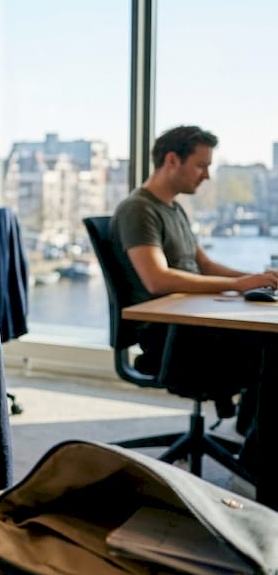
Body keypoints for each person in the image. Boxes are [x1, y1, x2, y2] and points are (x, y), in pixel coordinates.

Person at [111, 125, 275, 466]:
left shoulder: (174, 209)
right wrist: (240, 285)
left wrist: (258, 279)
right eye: (201, 165)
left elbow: (206, 265)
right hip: (170, 339)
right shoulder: (138, 210)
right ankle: (257, 461)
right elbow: (157, 280)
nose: (207, 176)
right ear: (173, 160)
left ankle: (253, 446)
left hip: (192, 328)